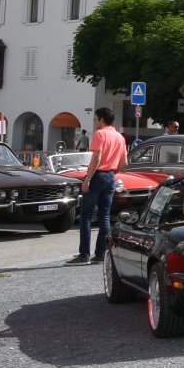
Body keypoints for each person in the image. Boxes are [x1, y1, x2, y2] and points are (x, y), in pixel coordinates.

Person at [71, 106, 126, 265]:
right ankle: (101, 253)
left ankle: (84, 254)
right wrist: (113, 172)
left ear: (102, 119)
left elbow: (96, 158)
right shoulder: (119, 137)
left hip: (97, 175)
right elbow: (124, 162)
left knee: (86, 215)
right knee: (105, 216)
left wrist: (88, 178)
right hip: (110, 176)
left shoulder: (100, 134)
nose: (95, 121)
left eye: (96, 119)